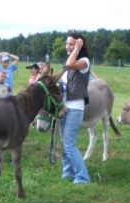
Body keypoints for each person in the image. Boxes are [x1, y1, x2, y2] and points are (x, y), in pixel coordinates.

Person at [59, 33, 91, 184]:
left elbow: (70, 64)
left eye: (71, 43)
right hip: (64, 108)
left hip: (75, 108)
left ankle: (83, 178)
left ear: (79, 44)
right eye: (67, 44)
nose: (68, 46)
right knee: (64, 143)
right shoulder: (68, 63)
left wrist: (76, 49)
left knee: (69, 145)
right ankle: (68, 173)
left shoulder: (84, 61)